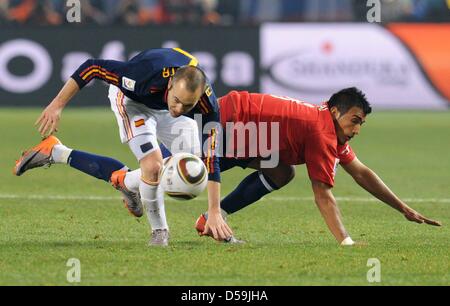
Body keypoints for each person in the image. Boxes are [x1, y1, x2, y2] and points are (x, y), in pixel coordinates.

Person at [15, 88, 441, 246]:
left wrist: (403, 209)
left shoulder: (326, 128)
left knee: (280, 172)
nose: (357, 130)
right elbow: (324, 194)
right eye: (354, 121)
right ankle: (58, 152)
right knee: (166, 179)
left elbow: (362, 172)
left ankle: (206, 219)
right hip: (229, 122)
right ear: (335, 112)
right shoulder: (322, 132)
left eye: (361, 123)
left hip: (250, 131)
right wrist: (346, 242)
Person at [15, 48, 232, 246]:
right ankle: (159, 232)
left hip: (161, 107)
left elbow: (211, 156)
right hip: (132, 103)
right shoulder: (141, 75)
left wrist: (214, 210)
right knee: (153, 166)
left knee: (194, 162)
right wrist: (57, 105)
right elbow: (92, 66)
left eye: (188, 105)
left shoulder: (206, 102)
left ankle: (63, 155)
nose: (179, 108)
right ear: (170, 84)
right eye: (177, 100)